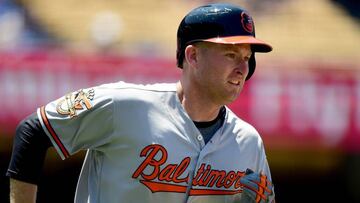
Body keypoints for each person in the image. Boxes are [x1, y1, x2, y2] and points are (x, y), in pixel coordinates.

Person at [7, 3, 275, 203]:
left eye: (247, 56)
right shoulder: (123, 104)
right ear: (192, 57)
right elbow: (33, 131)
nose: (243, 67)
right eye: (231, 54)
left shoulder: (249, 142)